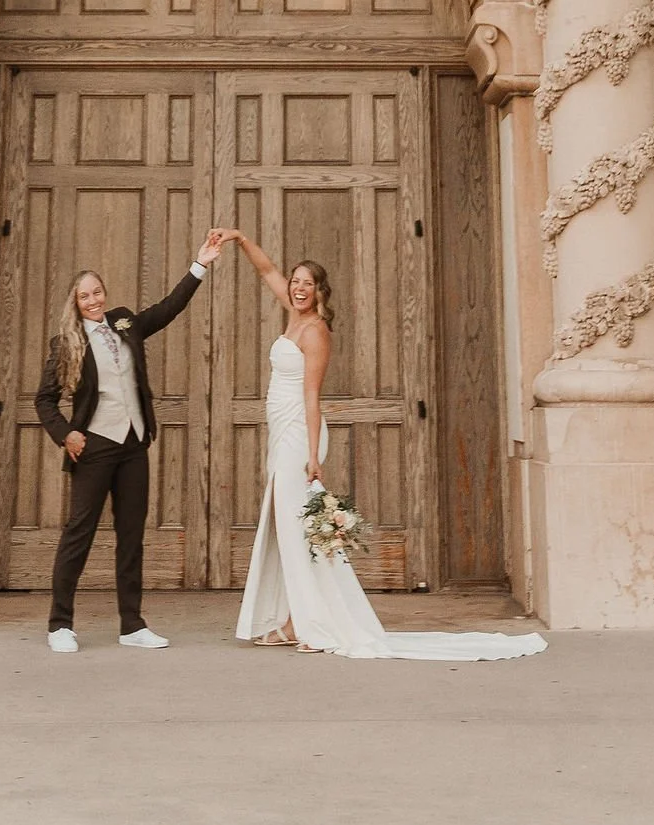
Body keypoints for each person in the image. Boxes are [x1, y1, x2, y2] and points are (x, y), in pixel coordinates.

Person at [224, 229, 544, 661]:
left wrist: (315, 456)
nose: (298, 288)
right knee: (289, 527)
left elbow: (313, 398)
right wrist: (240, 239)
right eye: (295, 281)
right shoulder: (292, 313)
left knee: (296, 529)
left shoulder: (315, 332)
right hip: (280, 429)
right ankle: (295, 615)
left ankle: (303, 621)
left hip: (299, 433)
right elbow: (265, 270)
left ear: (320, 292)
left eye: (307, 283)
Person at [35, 230, 229, 651]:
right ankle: (60, 625)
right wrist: (65, 433)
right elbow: (45, 401)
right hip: (94, 447)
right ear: (75, 302)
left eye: (97, 292)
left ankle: (132, 625)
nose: (93, 300)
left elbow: (167, 309)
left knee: (131, 535)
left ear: (105, 293)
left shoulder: (124, 322)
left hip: (134, 445)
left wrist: (200, 265)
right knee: (79, 532)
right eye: (84, 296)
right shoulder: (66, 344)